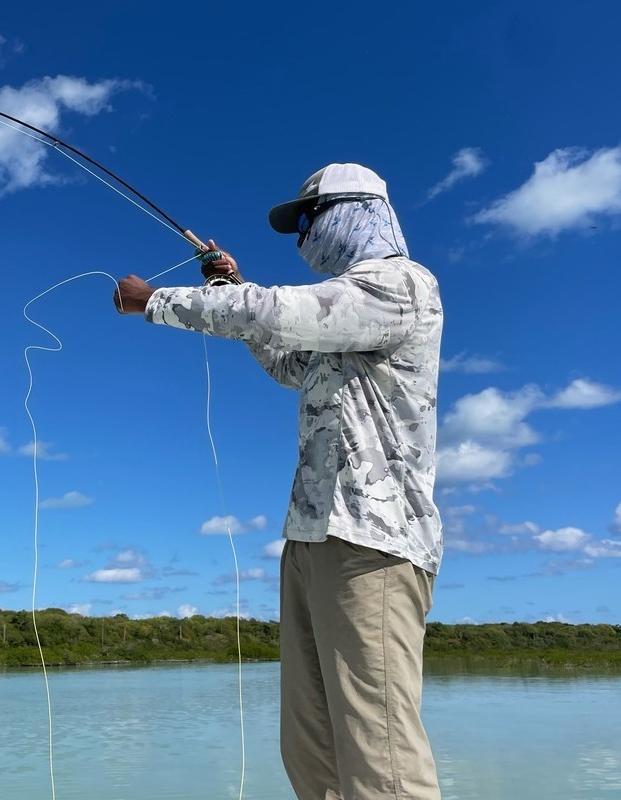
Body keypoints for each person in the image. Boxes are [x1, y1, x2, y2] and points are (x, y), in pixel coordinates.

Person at [114, 163, 443, 799]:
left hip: (372, 544)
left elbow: (274, 312)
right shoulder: (344, 313)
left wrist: (156, 301)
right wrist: (228, 283)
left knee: (382, 756)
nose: (303, 237)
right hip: (313, 538)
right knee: (310, 748)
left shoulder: (400, 284)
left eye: (309, 219)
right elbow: (288, 359)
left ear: (357, 213)